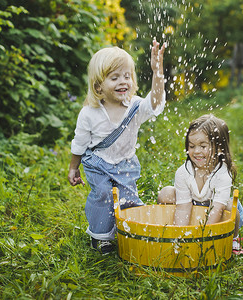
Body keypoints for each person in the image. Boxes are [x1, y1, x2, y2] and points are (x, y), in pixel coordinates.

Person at [68, 40, 166, 254]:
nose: (123, 82)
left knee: (127, 199)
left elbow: (156, 103)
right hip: (98, 163)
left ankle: (128, 232)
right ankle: (100, 237)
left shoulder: (135, 107)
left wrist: (157, 73)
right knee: (103, 195)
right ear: (98, 86)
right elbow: (79, 143)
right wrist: (73, 167)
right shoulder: (89, 113)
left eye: (127, 76)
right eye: (115, 78)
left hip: (125, 164)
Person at [157, 114, 243, 255]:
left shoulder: (222, 174)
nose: (196, 151)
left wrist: (203, 241)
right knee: (166, 193)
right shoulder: (183, 172)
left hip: (217, 209)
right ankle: (169, 229)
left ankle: (233, 239)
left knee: (230, 207)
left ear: (220, 148)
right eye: (192, 146)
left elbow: (217, 209)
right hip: (193, 204)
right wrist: (179, 238)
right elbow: (183, 208)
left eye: (203, 146)